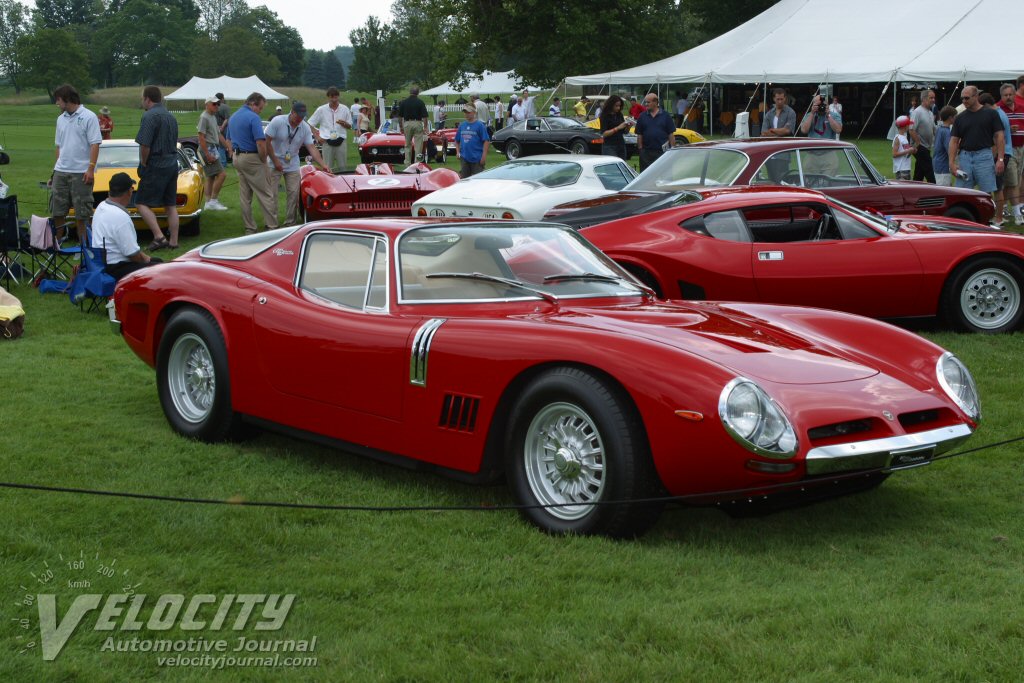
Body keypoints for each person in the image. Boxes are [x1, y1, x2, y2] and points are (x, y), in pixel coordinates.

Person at [49, 84, 101, 243]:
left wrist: (90, 169)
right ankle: (57, 245)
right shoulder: (60, 119)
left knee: (82, 214)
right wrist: (54, 171)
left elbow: (95, 144)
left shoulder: (89, 116)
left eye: (58, 100)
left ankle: (85, 249)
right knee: (57, 211)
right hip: (61, 172)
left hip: (81, 172)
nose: (57, 103)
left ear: (66, 99)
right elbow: (59, 146)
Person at [265, 101, 327, 226]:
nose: (300, 119)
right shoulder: (278, 121)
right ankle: (271, 224)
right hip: (273, 161)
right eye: (298, 116)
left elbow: (312, 147)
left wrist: (323, 164)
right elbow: (266, 141)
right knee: (272, 194)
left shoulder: (304, 127)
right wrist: (275, 161)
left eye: (303, 116)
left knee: (293, 194)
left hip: (292, 162)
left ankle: (290, 223)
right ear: (292, 112)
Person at [90, 173, 161, 280]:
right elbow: (133, 255)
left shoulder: (101, 206)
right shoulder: (121, 217)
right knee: (161, 268)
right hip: (116, 268)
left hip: (101, 264)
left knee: (157, 262)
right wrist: (148, 259)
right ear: (129, 192)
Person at [135, 85, 180, 250]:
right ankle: (174, 241)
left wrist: (144, 162)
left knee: (141, 202)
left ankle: (159, 236)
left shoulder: (149, 116)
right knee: (170, 205)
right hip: (172, 162)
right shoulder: (170, 116)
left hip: (156, 163)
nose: (143, 102)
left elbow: (145, 144)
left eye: (143, 99)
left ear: (148, 99)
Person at [227, 92, 278, 234]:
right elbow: (261, 143)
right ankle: (272, 226)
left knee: (245, 196)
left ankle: (250, 228)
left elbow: (228, 139)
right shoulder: (253, 118)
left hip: (237, 158)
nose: (260, 111)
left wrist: (232, 153)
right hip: (252, 158)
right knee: (266, 193)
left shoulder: (234, 116)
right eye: (260, 108)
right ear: (253, 104)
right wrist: (263, 160)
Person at [949, 86, 1005, 197]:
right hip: (965, 157)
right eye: (962, 98)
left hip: (984, 156)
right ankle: (966, 214)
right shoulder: (959, 118)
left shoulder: (991, 114)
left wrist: (1000, 159)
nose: (964, 101)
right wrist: (951, 163)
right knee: (962, 193)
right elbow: (954, 141)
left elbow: (1000, 136)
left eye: (967, 98)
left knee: (986, 193)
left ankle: (986, 214)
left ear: (976, 96)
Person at [981, 92, 1013, 226]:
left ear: (987, 105)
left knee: (996, 187)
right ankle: (994, 216)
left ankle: (998, 218)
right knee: (995, 186)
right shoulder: (1000, 113)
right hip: (1004, 153)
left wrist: (993, 157)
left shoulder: (997, 115)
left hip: (1000, 154)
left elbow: (997, 139)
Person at [197, 95, 230, 211]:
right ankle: (213, 201)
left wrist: (228, 148)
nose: (217, 106)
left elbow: (219, 134)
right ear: (207, 105)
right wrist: (207, 154)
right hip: (207, 149)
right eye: (214, 104)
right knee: (222, 175)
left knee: (210, 177)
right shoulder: (204, 117)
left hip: (212, 148)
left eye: (218, 104)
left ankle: (207, 203)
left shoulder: (212, 117)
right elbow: (201, 137)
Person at [308, 87, 353, 173]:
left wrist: (344, 123)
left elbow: (350, 126)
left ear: (338, 96)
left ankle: (343, 185)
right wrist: (317, 137)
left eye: (336, 96)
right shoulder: (321, 109)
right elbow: (310, 123)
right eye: (331, 96)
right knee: (328, 168)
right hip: (327, 141)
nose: (334, 98)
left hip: (341, 140)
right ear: (328, 97)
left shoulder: (345, 109)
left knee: (343, 168)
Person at [997, 83, 1024, 222]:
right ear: (1001, 96)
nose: (1008, 97)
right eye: (1005, 95)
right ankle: (1018, 214)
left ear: (1014, 94)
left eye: (1010, 94)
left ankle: (1005, 208)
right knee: (1013, 181)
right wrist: (1008, 130)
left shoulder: (1021, 107)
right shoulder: (998, 109)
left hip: (1021, 147)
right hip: (1008, 149)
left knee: (1013, 180)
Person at [635, 93, 675, 171]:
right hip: (646, 153)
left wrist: (672, 150)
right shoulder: (642, 116)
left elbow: (671, 134)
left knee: (663, 174)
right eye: (645, 102)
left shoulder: (666, 116)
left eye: (648, 102)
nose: (646, 104)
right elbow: (639, 134)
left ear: (655, 102)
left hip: (662, 152)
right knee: (646, 176)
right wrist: (641, 150)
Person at [909, 90, 937, 183]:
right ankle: (936, 191)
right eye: (931, 98)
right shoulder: (917, 112)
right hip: (920, 147)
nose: (933, 100)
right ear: (924, 99)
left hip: (927, 147)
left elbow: (934, 129)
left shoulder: (930, 113)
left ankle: (914, 190)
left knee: (919, 174)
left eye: (934, 98)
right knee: (930, 173)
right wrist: (918, 143)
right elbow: (911, 129)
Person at [455, 103, 489, 178]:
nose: (466, 114)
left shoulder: (480, 125)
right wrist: (457, 152)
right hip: (464, 158)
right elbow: (457, 140)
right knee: (464, 180)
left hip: (477, 158)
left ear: (474, 112)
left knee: (477, 180)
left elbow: (486, 141)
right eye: (465, 112)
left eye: (468, 112)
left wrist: (484, 156)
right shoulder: (462, 125)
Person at [398, 86, 429, 164]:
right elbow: (425, 116)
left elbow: (400, 116)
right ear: (418, 93)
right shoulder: (420, 102)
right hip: (417, 122)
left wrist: (401, 126)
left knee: (407, 144)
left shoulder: (404, 102)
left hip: (407, 123)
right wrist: (425, 127)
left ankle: (407, 163)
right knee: (418, 145)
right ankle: (417, 163)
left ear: (410, 92)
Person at [598, 94, 629, 161]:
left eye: (619, 106)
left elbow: (625, 132)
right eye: (616, 106)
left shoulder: (619, 114)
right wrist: (617, 128)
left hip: (621, 144)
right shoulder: (604, 116)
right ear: (611, 105)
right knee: (612, 167)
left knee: (622, 166)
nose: (618, 108)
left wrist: (628, 126)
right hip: (609, 146)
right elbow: (604, 134)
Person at [933, 106, 957, 186]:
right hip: (943, 166)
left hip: (937, 163)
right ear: (950, 118)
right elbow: (949, 149)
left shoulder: (939, 129)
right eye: (955, 117)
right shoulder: (947, 132)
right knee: (944, 191)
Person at [892, 116, 916, 180]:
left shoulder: (904, 137)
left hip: (906, 168)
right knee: (903, 188)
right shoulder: (897, 138)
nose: (909, 126)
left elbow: (905, 152)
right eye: (908, 125)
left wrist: (912, 150)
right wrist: (908, 151)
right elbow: (894, 154)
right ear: (905, 126)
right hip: (901, 169)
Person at [214, 93, 231, 165]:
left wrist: (218, 127)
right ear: (222, 98)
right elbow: (227, 119)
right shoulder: (225, 107)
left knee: (220, 146)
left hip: (216, 127)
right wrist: (222, 127)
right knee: (229, 143)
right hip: (225, 128)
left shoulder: (214, 106)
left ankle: (223, 162)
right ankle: (230, 160)